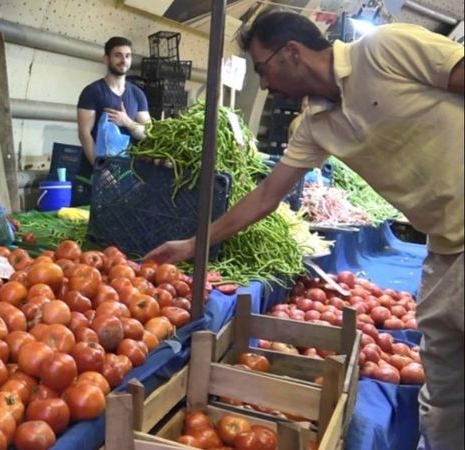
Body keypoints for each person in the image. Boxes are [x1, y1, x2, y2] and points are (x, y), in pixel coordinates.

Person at [144, 10, 464, 450]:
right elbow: (264, 198)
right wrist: (194, 245)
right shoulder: (313, 125)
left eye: (263, 69)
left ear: (291, 52)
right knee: (445, 393)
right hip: (445, 249)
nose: (267, 83)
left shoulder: (385, 49)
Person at [77, 37, 151, 165]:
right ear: (106, 59)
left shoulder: (138, 94)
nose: (124, 60)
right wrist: (99, 167)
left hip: (126, 170)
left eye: (127, 56)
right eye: (118, 55)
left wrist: (127, 122)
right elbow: (84, 134)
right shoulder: (92, 92)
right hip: (95, 170)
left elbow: (148, 133)